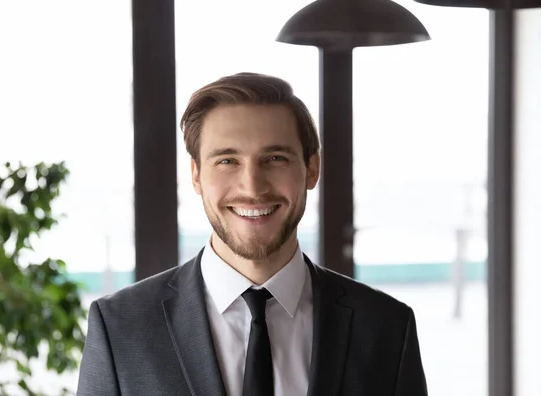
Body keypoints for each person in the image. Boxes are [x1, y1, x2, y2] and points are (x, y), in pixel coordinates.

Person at [77, 72, 428, 396]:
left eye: (275, 158)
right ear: (197, 175)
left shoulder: (387, 327)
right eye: (227, 161)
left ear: (312, 169)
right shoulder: (120, 327)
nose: (252, 187)